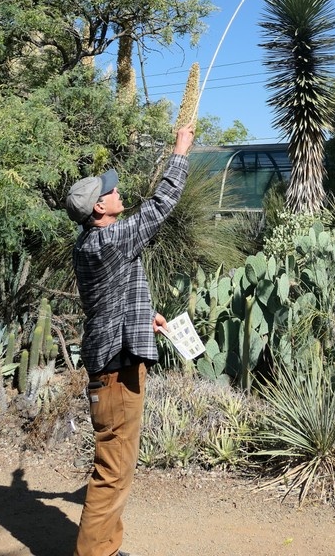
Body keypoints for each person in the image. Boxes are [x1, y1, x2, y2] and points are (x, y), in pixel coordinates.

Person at [65, 125, 195, 556]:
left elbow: (110, 298)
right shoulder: (111, 240)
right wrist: (180, 152)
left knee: (116, 465)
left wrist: (144, 317)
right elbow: (160, 207)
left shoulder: (88, 244)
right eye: (111, 190)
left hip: (113, 362)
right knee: (113, 469)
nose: (118, 191)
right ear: (100, 208)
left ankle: (107, 547)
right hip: (118, 372)